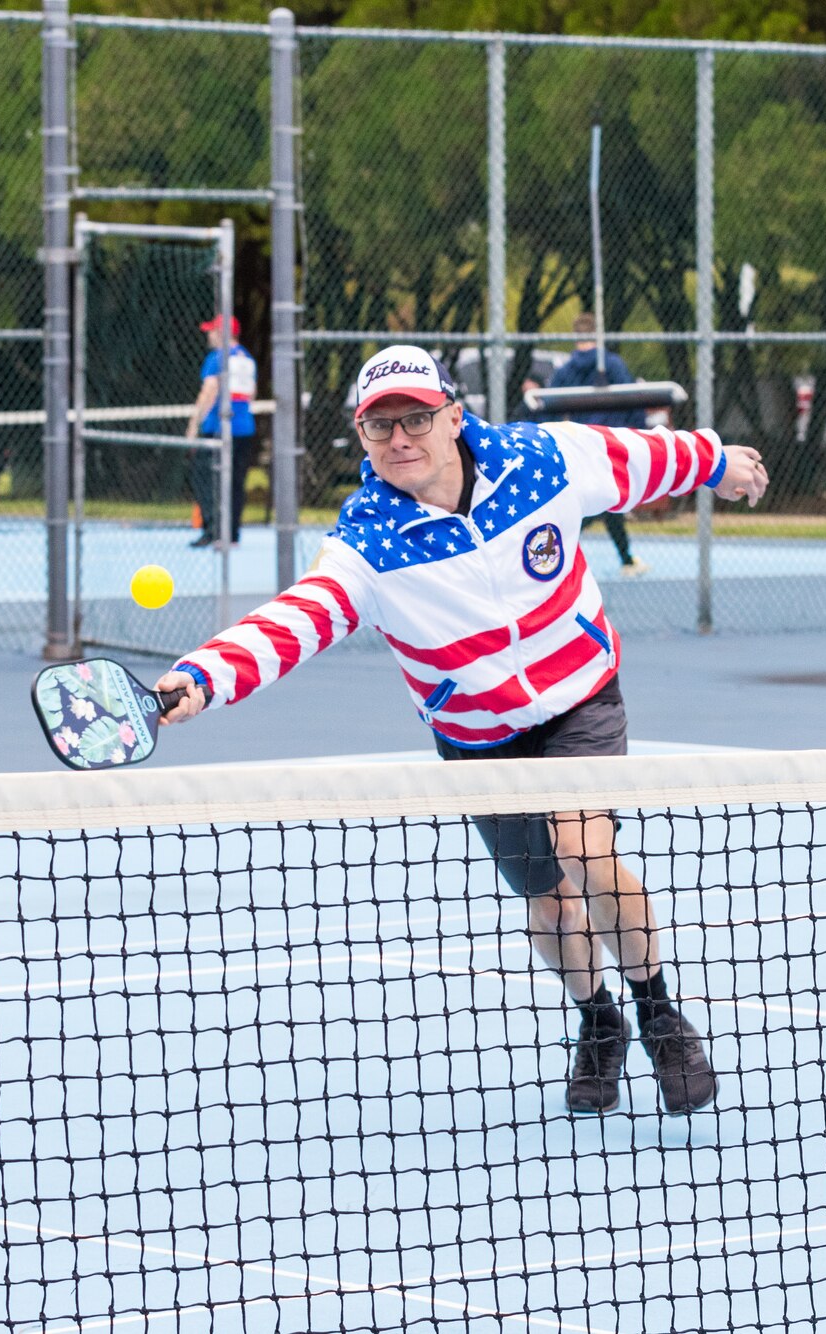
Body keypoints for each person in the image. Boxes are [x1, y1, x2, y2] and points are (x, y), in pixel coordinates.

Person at [154, 344, 770, 1115]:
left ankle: (659, 1016)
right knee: (549, 901)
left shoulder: (541, 459)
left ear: (453, 416)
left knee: (585, 849)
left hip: (580, 697)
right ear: (363, 437)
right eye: (380, 427)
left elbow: (636, 456)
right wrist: (203, 679)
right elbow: (296, 619)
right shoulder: (366, 541)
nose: (400, 438)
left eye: (416, 418)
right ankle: (598, 1022)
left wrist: (717, 462)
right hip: (479, 738)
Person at [546, 312, 651, 576]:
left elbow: (548, 409)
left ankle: (624, 558)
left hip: (577, 444)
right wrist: (634, 434)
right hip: (608, 444)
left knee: (603, 501)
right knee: (602, 502)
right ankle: (557, 548)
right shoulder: (614, 365)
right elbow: (634, 402)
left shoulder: (566, 370)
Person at [187, 315, 259, 548]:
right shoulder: (247, 359)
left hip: (218, 428)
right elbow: (252, 393)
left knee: (207, 477)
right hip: (244, 428)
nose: (209, 335)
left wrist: (194, 424)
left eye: (212, 331)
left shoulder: (218, 357)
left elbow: (210, 389)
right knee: (235, 482)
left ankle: (213, 529)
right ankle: (232, 534)